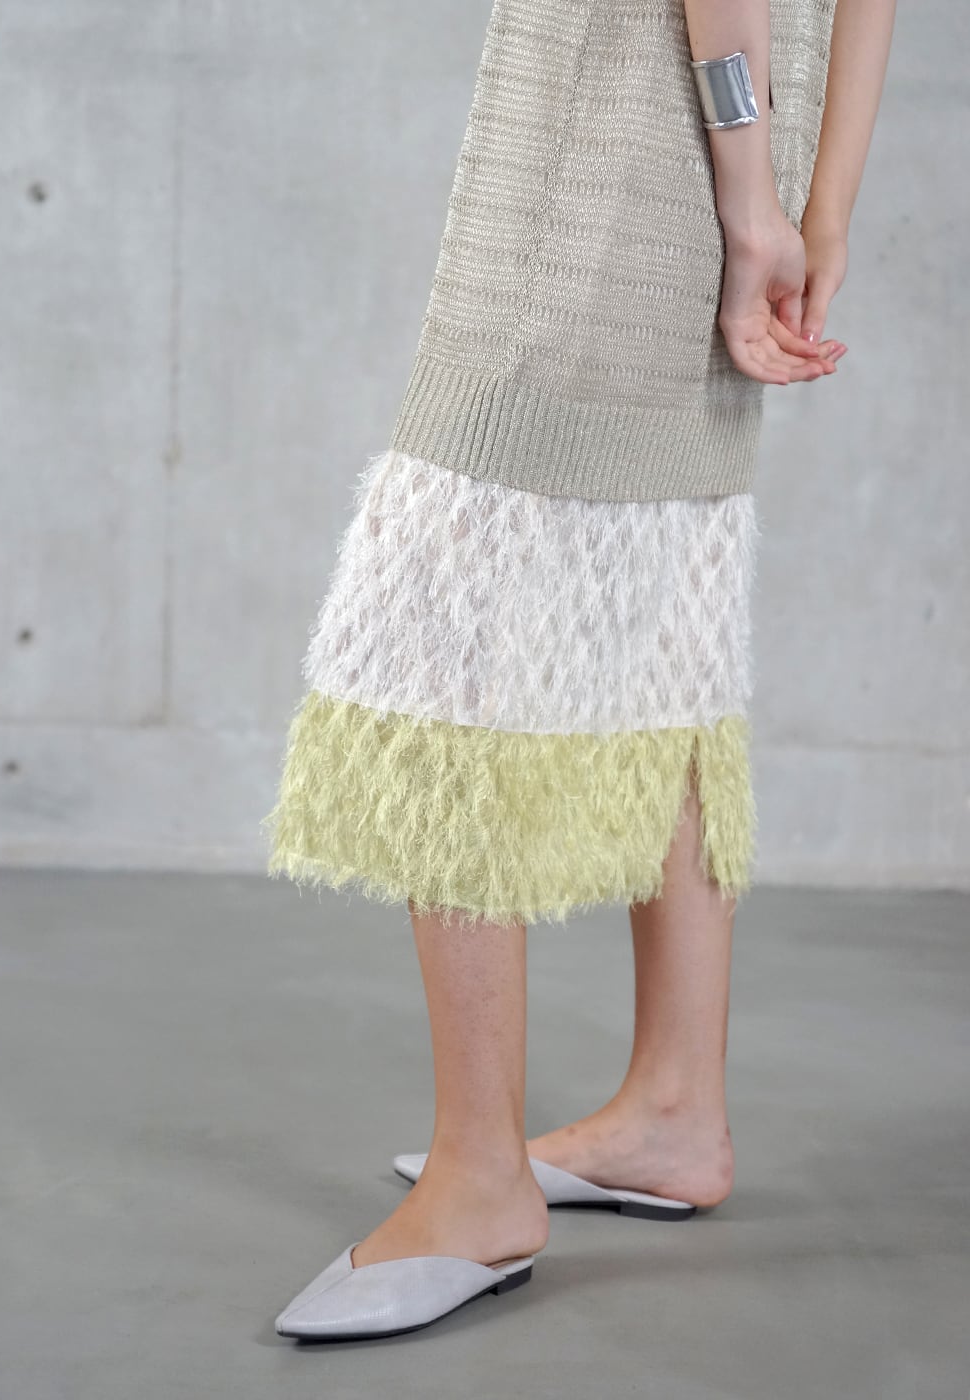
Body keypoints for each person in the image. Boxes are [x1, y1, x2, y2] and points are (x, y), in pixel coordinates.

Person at [265, 0, 896, 1342]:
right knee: (663, 617)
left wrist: (752, 211)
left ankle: (480, 1180)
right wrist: (816, 210)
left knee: (445, 631)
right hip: (730, 168)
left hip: (610, 164)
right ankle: (674, 1108)